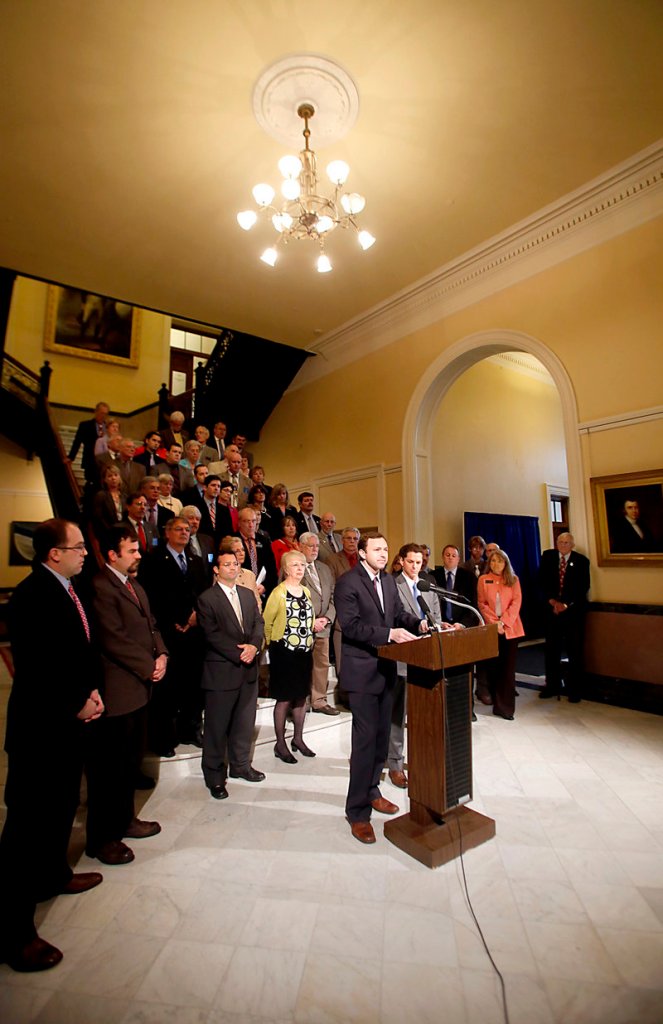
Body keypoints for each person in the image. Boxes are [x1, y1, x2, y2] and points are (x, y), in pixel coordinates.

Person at [0, 519, 104, 973]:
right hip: (41, 729)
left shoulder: (67, 588)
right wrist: (75, 703)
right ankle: (13, 934)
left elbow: (79, 652)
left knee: (62, 806)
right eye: (78, 547)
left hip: (70, 720)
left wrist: (93, 692)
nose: (86, 553)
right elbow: (38, 668)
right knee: (27, 828)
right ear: (53, 553)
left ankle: (54, 874)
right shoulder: (30, 596)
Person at [334, 532, 426, 844]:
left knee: (381, 740)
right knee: (364, 743)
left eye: (386, 549)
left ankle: (372, 791)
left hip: (387, 669)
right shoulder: (348, 582)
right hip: (361, 673)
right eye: (376, 549)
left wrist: (418, 624)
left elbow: (398, 614)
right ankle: (357, 812)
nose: (383, 553)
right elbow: (352, 626)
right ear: (362, 553)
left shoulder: (387, 581)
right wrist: (390, 634)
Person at [85, 525, 168, 865]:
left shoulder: (133, 584)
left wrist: (162, 653)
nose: (138, 555)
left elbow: (151, 625)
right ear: (112, 555)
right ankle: (102, 839)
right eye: (131, 550)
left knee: (129, 765)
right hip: (118, 690)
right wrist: (148, 665)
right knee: (109, 771)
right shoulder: (100, 588)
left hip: (139, 689)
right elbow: (112, 638)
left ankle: (125, 820)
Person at [197, 549, 265, 799]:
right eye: (227, 564)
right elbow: (211, 634)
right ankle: (215, 776)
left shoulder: (247, 595)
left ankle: (240, 766)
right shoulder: (207, 599)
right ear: (216, 569)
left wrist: (254, 646)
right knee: (216, 728)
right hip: (221, 672)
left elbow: (258, 623)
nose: (233, 568)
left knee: (244, 724)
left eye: (236, 564)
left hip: (248, 672)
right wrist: (241, 653)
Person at [391, 544, 445, 788]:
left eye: (419, 562)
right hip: (402, 657)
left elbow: (437, 617)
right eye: (411, 562)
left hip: (428, 658)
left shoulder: (427, 585)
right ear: (402, 561)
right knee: (397, 714)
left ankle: (421, 759)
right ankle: (395, 763)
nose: (415, 567)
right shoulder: (392, 585)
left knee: (423, 713)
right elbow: (395, 617)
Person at [263, 550, 317, 763]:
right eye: (295, 565)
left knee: (301, 696)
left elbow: (307, 618)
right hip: (283, 652)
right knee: (284, 698)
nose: (299, 569)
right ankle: (280, 743)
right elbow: (267, 622)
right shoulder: (278, 592)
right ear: (285, 569)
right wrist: (269, 645)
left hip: (304, 651)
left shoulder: (306, 591)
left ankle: (298, 739)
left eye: (302, 565)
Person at [538, 532, 590, 702]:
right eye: (560, 542)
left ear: (572, 545)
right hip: (552, 612)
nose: (563, 545)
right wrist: (552, 601)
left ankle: (575, 689)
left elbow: (583, 586)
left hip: (573, 612)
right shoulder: (548, 557)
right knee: (551, 650)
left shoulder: (581, 561)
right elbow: (541, 581)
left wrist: (565, 604)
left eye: (566, 542)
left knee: (574, 651)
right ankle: (552, 685)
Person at [477, 548, 524, 720]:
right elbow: (482, 604)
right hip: (491, 628)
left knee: (508, 670)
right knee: (493, 668)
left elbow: (516, 603)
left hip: (510, 629)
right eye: (494, 561)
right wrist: (494, 622)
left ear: (506, 563)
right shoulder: (483, 579)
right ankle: (496, 703)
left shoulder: (514, 580)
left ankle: (506, 709)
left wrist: (504, 622)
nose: (497, 564)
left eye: (500, 561)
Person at [299, 532, 338, 716]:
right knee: (303, 664)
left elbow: (332, 597)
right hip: (303, 627)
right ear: (301, 547)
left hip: (323, 625)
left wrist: (327, 618)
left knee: (321, 664)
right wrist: (310, 621)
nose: (315, 549)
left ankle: (319, 700)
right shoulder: (294, 567)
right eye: (310, 546)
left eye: (316, 546)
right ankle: (302, 700)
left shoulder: (324, 568)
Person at [68, 400, 109, 484]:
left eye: (105, 414)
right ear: (95, 412)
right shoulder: (85, 425)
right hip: (90, 460)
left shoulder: (109, 427)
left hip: (105, 462)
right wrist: (71, 457)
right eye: (101, 413)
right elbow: (77, 442)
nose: (103, 416)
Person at [91, 464, 125, 535]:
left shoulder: (124, 496)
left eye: (116, 475)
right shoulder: (101, 495)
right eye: (110, 476)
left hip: (124, 533)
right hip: (108, 533)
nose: (113, 478)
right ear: (104, 479)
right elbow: (99, 518)